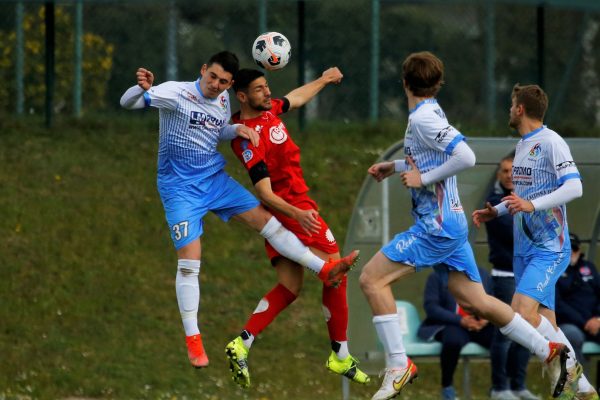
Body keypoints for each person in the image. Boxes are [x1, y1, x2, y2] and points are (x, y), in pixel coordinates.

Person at [119, 51, 359, 370]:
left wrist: (235, 130)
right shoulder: (175, 93)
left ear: (231, 86)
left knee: (268, 225)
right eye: (212, 77)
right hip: (179, 188)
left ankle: (323, 274)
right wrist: (141, 88)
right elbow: (129, 103)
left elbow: (217, 130)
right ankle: (194, 339)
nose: (215, 85)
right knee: (190, 261)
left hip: (215, 179)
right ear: (203, 70)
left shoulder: (223, 103)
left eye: (222, 82)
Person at [359, 52, 569, 400]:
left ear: (404, 83)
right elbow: (433, 155)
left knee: (371, 279)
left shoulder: (425, 117)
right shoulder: (430, 113)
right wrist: (395, 167)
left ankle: (398, 365)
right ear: (436, 83)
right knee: (475, 299)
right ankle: (547, 349)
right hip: (450, 225)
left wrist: (421, 177)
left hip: (436, 227)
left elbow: (465, 157)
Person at [224, 67, 369, 388]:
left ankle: (242, 342)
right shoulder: (247, 137)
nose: (267, 92)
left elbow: (295, 99)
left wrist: (324, 80)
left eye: (267, 86)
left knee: (289, 288)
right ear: (242, 96)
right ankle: (340, 355)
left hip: (292, 208)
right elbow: (264, 192)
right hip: (292, 209)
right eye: (259, 89)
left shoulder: (269, 109)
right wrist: (297, 213)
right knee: (335, 273)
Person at [473, 83, 586, 399]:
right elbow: (521, 197)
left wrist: (532, 205)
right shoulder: (522, 146)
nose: (509, 110)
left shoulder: (552, 142)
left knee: (520, 311)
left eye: (511, 105)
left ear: (520, 109)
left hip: (549, 248)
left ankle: (565, 367)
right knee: (543, 322)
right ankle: (585, 389)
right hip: (523, 251)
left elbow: (574, 187)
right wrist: (494, 210)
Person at [484, 155, 539, 400]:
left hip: (527, 275)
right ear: (499, 175)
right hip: (505, 275)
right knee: (506, 332)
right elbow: (517, 233)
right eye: (504, 170)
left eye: (513, 170)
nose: (509, 174)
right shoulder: (494, 204)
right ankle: (500, 387)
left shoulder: (529, 201)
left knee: (526, 332)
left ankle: (519, 386)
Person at [418, 267, 494, 400]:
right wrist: (460, 320)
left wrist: (486, 318)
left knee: (502, 338)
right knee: (452, 340)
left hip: (480, 324)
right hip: (453, 323)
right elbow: (431, 308)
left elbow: (494, 301)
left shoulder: (483, 274)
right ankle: (447, 388)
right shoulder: (436, 276)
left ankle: (500, 386)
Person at [556, 233, 600, 400]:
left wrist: (597, 320)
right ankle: (579, 390)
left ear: (579, 249)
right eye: (567, 248)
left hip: (594, 322)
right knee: (571, 336)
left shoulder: (589, 267)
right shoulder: (554, 270)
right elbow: (558, 305)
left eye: (573, 248)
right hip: (571, 323)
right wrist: (585, 322)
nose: (571, 252)